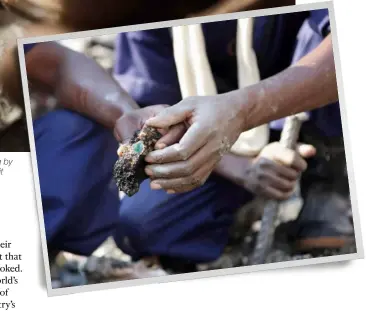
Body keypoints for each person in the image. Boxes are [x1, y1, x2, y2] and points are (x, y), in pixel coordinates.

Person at [112, 8, 353, 270]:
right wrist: (241, 169)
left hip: (301, 108)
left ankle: (330, 182)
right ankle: (242, 201)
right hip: (209, 141)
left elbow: (352, 40)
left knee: (333, 26)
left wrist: (241, 112)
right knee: (143, 224)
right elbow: (154, 101)